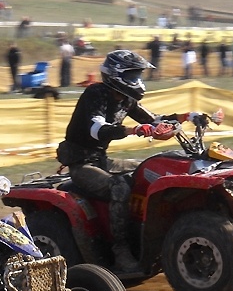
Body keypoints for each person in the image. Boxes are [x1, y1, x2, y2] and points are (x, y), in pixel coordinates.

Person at [55, 50, 175, 273]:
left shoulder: (127, 100)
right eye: (131, 76)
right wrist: (134, 130)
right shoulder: (96, 94)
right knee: (119, 187)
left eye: (137, 76)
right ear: (114, 75)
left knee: (149, 167)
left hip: (102, 160)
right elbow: (96, 130)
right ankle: (121, 251)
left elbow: (155, 119)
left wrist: (190, 117)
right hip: (83, 164)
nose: (136, 81)